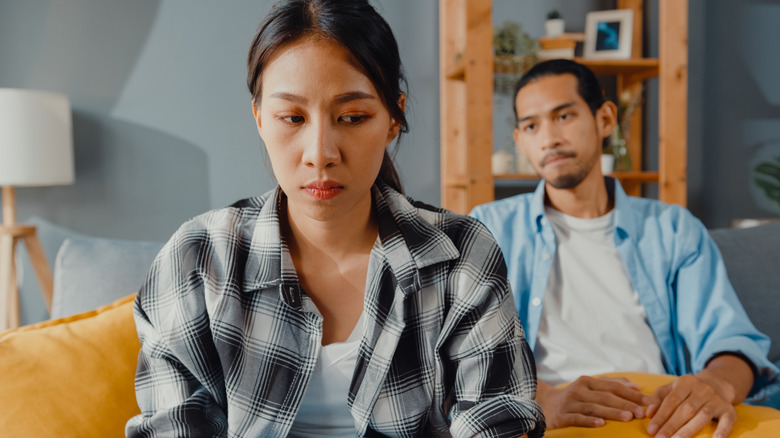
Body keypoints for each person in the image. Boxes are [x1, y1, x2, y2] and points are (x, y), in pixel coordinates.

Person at [126, 1, 544, 437]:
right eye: (292, 118)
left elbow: (496, 419)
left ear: (393, 119)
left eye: (352, 118)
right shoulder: (196, 259)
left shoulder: (461, 254)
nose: (320, 153)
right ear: (260, 119)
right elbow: (174, 426)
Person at [470, 59, 778, 438]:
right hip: (554, 417)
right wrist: (541, 399)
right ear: (520, 140)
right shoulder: (487, 228)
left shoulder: (672, 227)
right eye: (532, 126)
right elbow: (464, 353)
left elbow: (731, 340)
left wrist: (714, 385)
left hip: (660, 415)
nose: (549, 138)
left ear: (605, 119)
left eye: (564, 116)